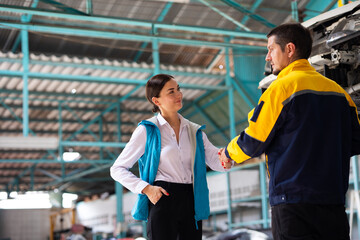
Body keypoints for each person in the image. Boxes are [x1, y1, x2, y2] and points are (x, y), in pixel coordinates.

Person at [219, 23, 360, 240]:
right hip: (333, 203)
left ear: (290, 49)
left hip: (293, 204)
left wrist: (229, 153)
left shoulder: (281, 89)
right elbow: (355, 142)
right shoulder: (341, 93)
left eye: (271, 49)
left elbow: (254, 140)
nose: (268, 57)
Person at [110, 74, 230, 240]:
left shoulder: (195, 131)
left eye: (178, 89)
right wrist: (146, 188)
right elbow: (117, 169)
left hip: (191, 199)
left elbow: (216, 161)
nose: (179, 95)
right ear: (157, 101)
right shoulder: (147, 130)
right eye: (171, 92)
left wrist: (229, 157)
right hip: (163, 198)